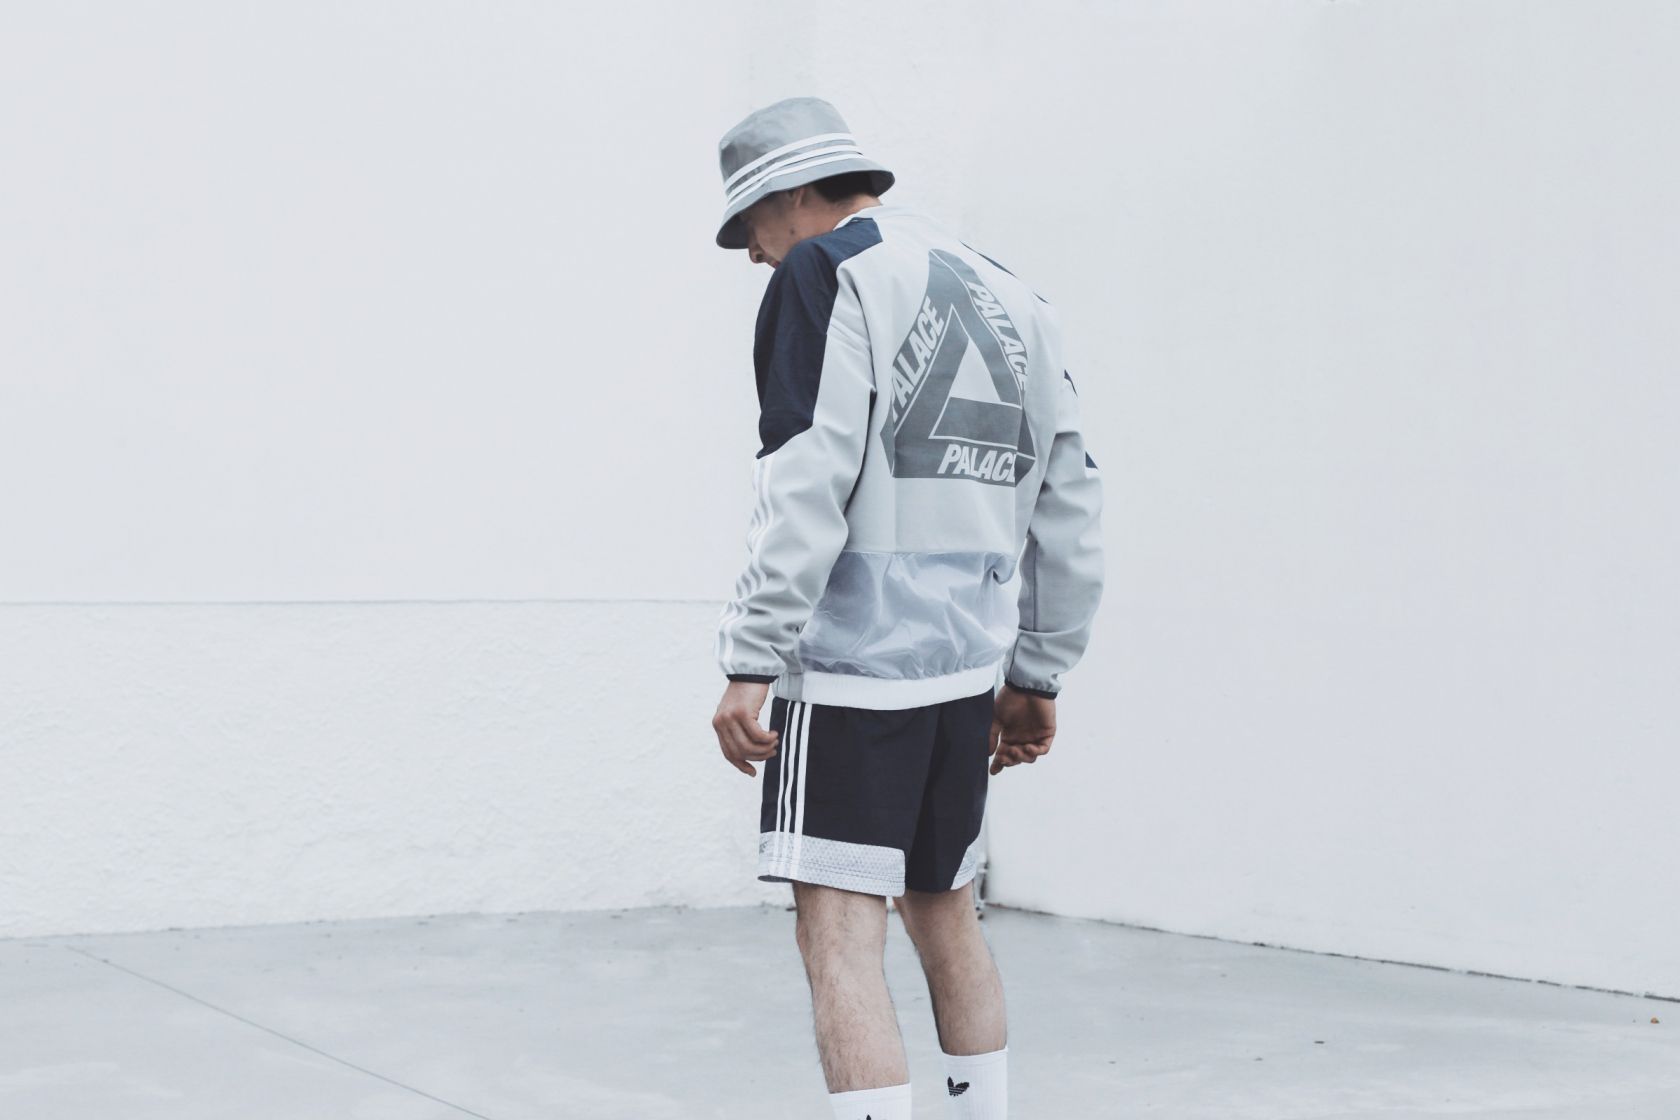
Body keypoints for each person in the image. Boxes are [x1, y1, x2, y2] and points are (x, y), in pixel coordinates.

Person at [708, 95, 1105, 1120]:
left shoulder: (823, 273)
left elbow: (806, 475)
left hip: (853, 667)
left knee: (840, 930)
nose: (751, 252)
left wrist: (752, 655)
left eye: (749, 221)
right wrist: (1039, 669)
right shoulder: (1008, 289)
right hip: (965, 670)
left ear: (798, 194)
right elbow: (1070, 493)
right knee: (947, 913)